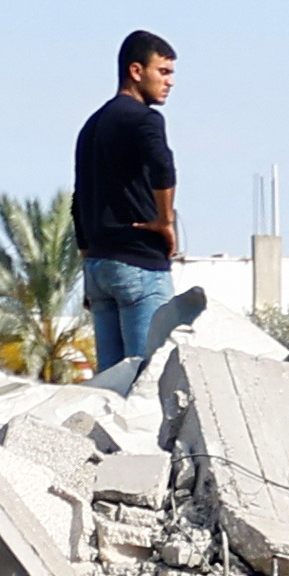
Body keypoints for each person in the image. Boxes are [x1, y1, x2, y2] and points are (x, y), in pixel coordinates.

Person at [74, 30, 178, 373]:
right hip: (139, 265)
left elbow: (79, 200)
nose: (170, 82)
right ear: (136, 71)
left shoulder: (92, 125)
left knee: (112, 385)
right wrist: (165, 221)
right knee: (150, 378)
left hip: (100, 268)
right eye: (163, 72)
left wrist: (90, 259)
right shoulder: (144, 119)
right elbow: (163, 164)